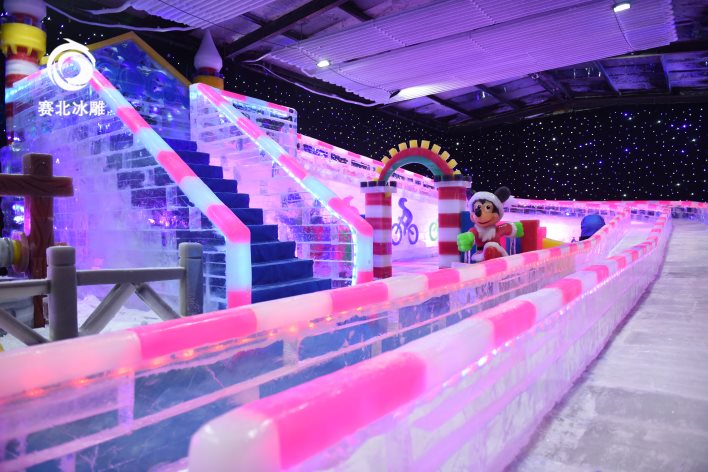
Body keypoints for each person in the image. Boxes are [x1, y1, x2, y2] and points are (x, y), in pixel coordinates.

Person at [457, 186, 524, 261]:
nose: (479, 213)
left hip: (498, 253)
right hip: (481, 255)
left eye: (488, 208)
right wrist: (466, 239)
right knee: (489, 249)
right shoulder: (476, 231)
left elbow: (506, 228)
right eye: (477, 207)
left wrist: (514, 227)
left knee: (492, 248)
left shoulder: (496, 230)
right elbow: (471, 237)